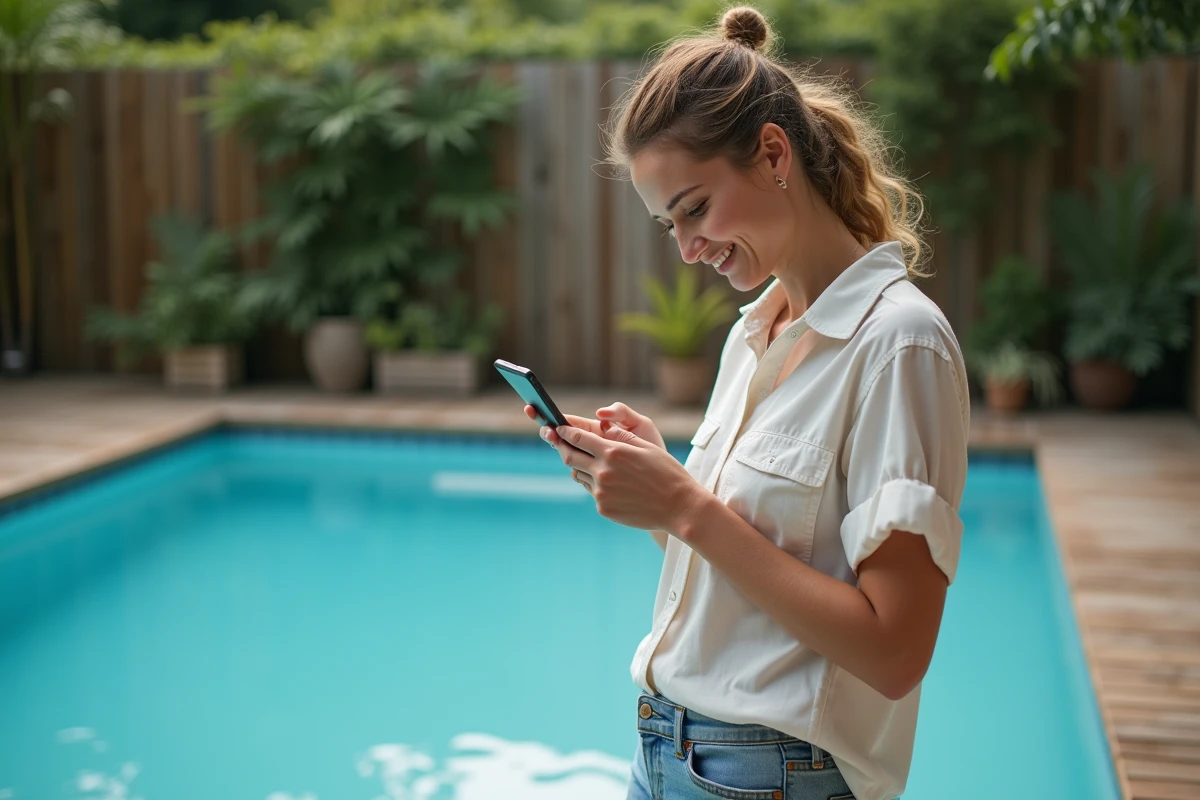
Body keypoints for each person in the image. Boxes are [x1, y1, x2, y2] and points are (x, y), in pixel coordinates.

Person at [524, 6, 968, 799]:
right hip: (664, 753)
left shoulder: (899, 344)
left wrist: (687, 507)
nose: (687, 247)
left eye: (694, 208)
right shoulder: (755, 335)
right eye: (668, 224)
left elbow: (895, 653)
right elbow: (753, 574)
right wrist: (661, 490)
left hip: (772, 775)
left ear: (772, 154)